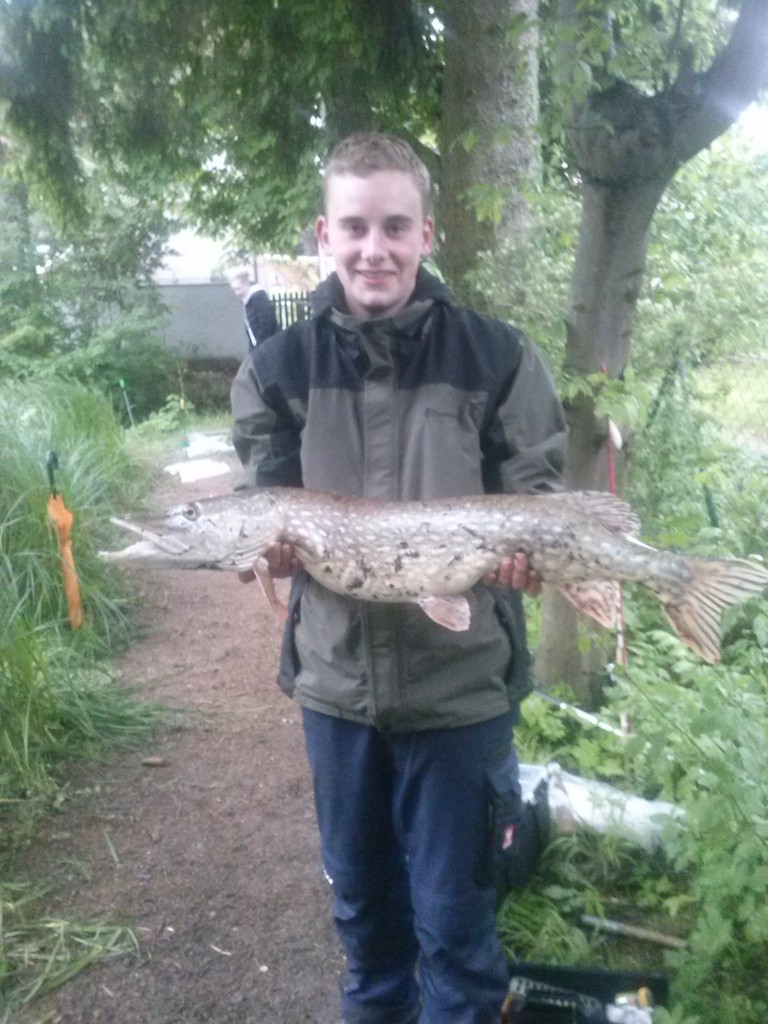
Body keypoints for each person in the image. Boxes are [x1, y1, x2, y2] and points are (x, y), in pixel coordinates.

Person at [231, 133, 567, 1024]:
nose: (373, 248)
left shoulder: (497, 356)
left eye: (395, 227)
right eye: (354, 227)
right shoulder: (277, 368)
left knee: (457, 931)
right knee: (368, 926)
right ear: (323, 235)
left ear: (427, 235)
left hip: (461, 697)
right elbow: (266, 493)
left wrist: (525, 552)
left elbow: (534, 489)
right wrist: (265, 546)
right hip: (338, 694)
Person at [228, 267, 280, 350]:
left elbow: (266, 324)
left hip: (268, 348)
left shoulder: (258, 298)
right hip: (261, 347)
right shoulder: (249, 301)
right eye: (234, 290)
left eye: (238, 289)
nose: (236, 293)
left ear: (246, 284)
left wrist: (259, 347)